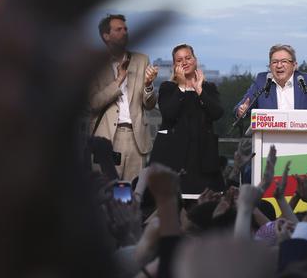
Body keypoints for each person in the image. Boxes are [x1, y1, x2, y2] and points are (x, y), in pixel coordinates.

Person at [88, 14, 158, 183]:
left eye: (126, 29)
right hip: (107, 138)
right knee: (107, 191)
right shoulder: (94, 64)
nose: (125, 32)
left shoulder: (142, 60)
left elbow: (149, 104)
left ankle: (128, 210)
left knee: (131, 193)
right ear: (106, 36)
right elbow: (93, 103)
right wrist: (119, 81)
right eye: (118, 29)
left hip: (136, 139)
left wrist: (148, 85)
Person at [150, 44, 224, 193]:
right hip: (174, 157)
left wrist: (199, 90)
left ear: (195, 60)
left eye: (188, 58)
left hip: (203, 159)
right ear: (174, 65)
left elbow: (217, 113)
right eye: (179, 60)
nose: (184, 62)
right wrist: (182, 86)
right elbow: (169, 114)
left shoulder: (209, 88)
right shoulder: (167, 87)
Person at [236, 44, 307, 119]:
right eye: (274, 62)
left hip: (303, 141)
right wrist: (242, 111)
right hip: (269, 142)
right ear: (270, 66)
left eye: (284, 61)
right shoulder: (261, 81)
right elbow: (241, 107)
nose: (279, 65)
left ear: (294, 65)